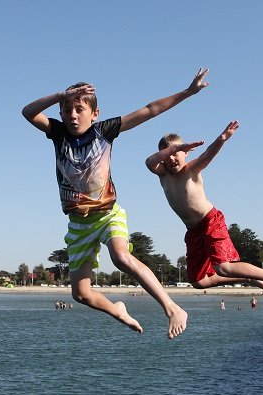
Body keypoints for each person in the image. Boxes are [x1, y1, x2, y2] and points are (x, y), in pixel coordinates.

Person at [22, 68, 211, 338]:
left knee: (121, 256)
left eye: (79, 109)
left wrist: (188, 92)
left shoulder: (105, 131)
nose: (73, 115)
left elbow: (150, 109)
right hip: (78, 223)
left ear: (94, 113)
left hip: (108, 214)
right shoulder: (58, 133)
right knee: (81, 294)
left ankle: (171, 308)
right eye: (67, 110)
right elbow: (27, 112)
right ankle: (118, 310)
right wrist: (60, 95)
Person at [145, 121, 263, 297]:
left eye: (176, 153)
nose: (171, 159)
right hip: (193, 231)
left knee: (223, 267)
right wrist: (175, 149)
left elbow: (208, 154)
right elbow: (149, 161)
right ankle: (249, 277)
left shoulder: (191, 169)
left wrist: (222, 139)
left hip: (210, 221)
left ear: (186, 153)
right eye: (166, 156)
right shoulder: (164, 175)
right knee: (199, 281)